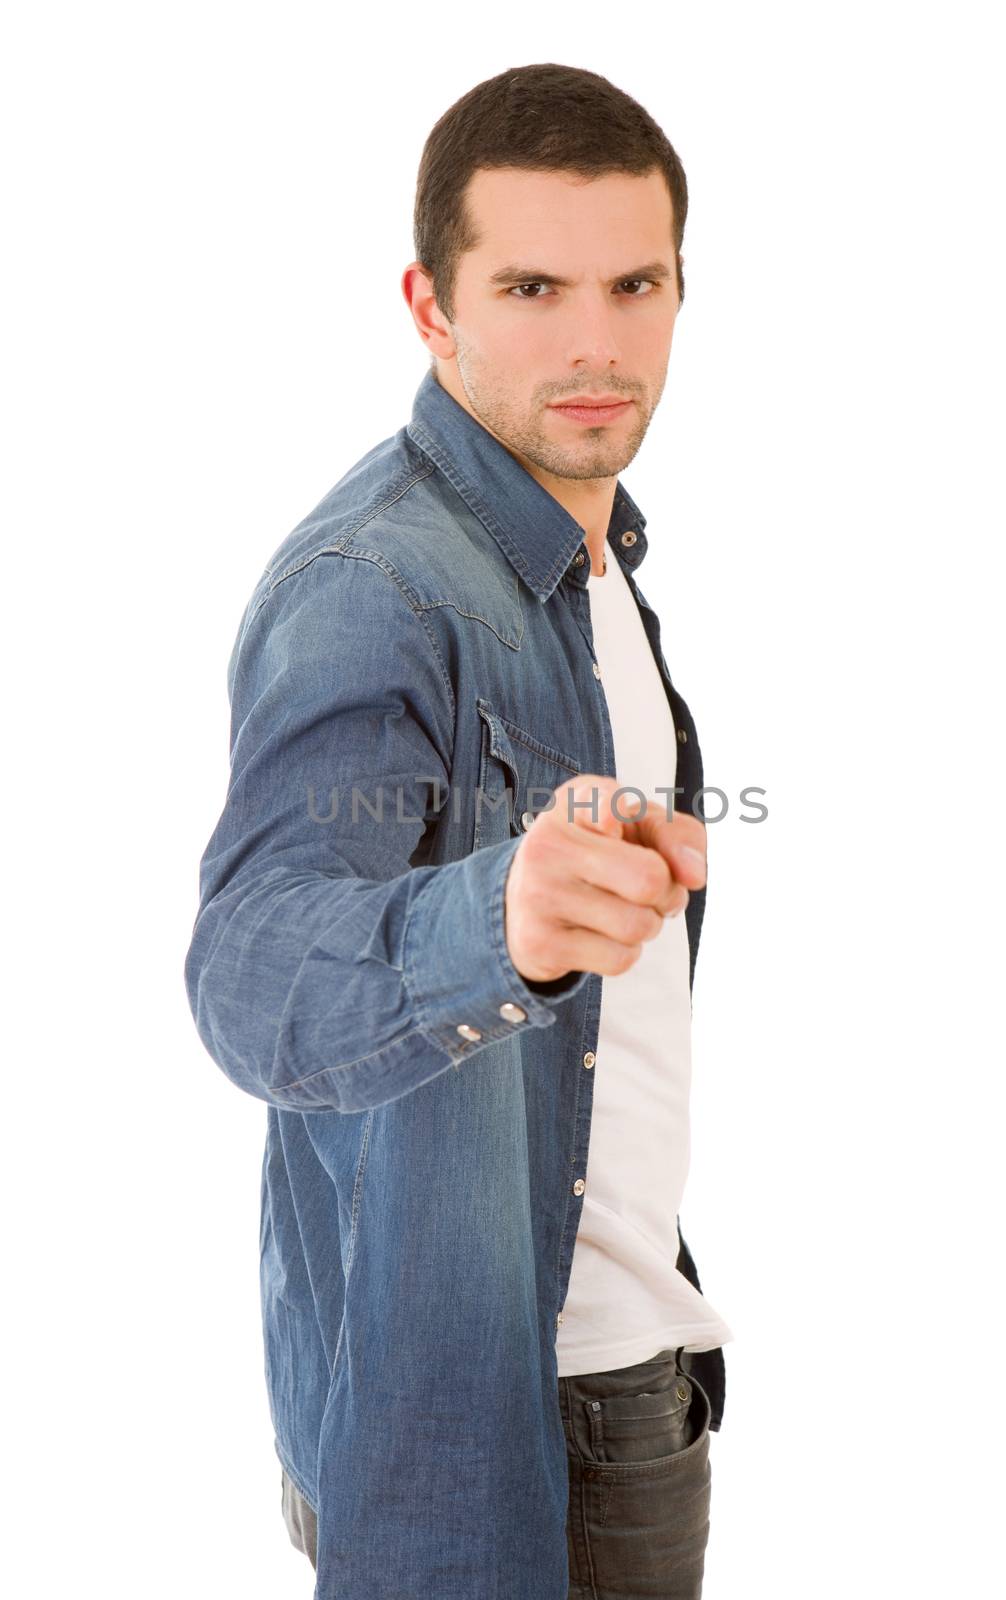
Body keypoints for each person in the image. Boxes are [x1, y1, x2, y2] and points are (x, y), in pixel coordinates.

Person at [184, 60, 732, 1600]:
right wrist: (495, 917)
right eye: (534, 285)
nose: (596, 341)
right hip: (502, 1436)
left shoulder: (590, 548)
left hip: (618, 1356)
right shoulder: (379, 586)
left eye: (638, 284)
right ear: (431, 305)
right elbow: (251, 968)